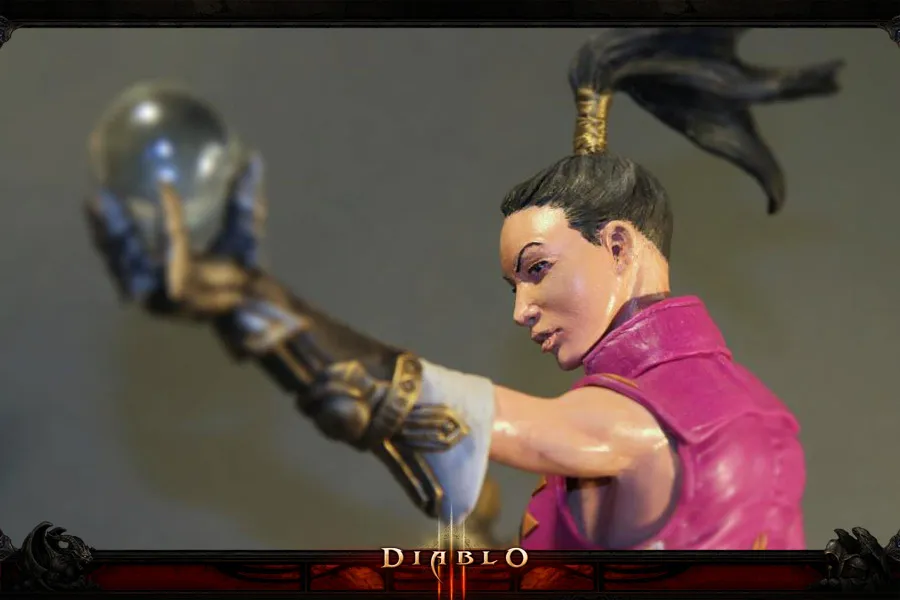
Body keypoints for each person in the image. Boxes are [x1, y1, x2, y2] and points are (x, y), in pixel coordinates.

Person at [85, 29, 843, 550]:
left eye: (537, 269)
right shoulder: (741, 405)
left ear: (617, 245)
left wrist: (251, 300)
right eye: (514, 283)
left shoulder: (642, 421)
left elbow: (419, 407)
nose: (520, 310)